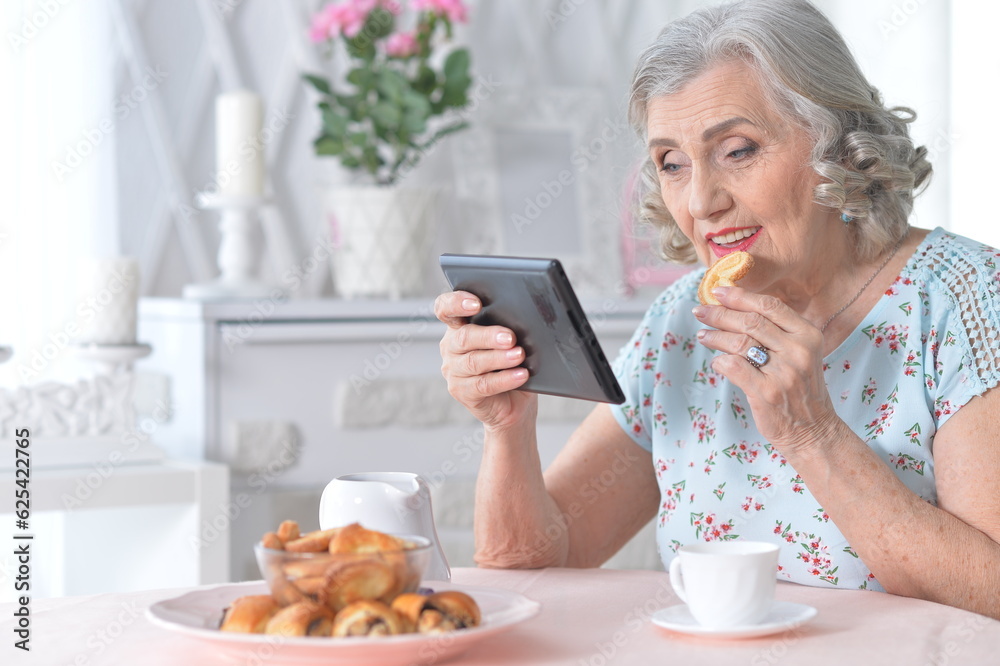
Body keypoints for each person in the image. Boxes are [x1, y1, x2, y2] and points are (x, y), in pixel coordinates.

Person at [434, 0, 1000, 619]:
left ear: (839, 145)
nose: (700, 200)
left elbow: (992, 592)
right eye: (671, 163)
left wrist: (811, 433)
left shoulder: (963, 298)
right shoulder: (682, 322)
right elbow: (532, 568)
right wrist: (507, 428)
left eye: (738, 150)